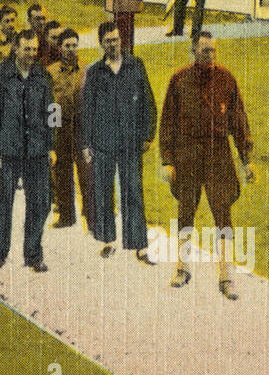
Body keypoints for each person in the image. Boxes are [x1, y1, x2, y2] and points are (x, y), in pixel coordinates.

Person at [160, 31, 256, 300]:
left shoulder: (227, 79)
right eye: (205, 51)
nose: (210, 56)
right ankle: (182, 268)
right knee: (185, 212)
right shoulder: (179, 80)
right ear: (193, 52)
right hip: (188, 153)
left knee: (223, 213)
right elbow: (167, 123)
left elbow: (239, 121)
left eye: (213, 51)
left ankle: (226, 276)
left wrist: (246, 160)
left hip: (218, 154)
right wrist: (167, 160)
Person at [81, 21, 157, 263]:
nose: (113, 45)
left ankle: (139, 245)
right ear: (101, 44)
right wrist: (86, 144)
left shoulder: (136, 65)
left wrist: (148, 134)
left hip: (129, 142)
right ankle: (107, 240)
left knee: (133, 191)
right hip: (102, 142)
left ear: (121, 40)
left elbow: (148, 102)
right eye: (108, 41)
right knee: (103, 192)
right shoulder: (94, 72)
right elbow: (87, 111)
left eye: (116, 40)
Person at [0, 29, 55, 272]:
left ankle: (33, 254)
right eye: (27, 49)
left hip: (37, 150)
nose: (31, 53)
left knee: (41, 202)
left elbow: (53, 112)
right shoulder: (1, 75)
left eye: (35, 49)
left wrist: (51, 145)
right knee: (3, 202)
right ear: (16, 48)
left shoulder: (42, 75)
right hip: (9, 150)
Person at [46, 28, 88, 229]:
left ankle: (90, 215)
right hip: (60, 127)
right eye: (67, 46)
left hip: (81, 128)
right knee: (62, 173)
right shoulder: (51, 72)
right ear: (60, 48)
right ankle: (66, 215)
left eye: (74, 45)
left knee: (86, 173)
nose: (71, 49)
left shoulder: (87, 71)